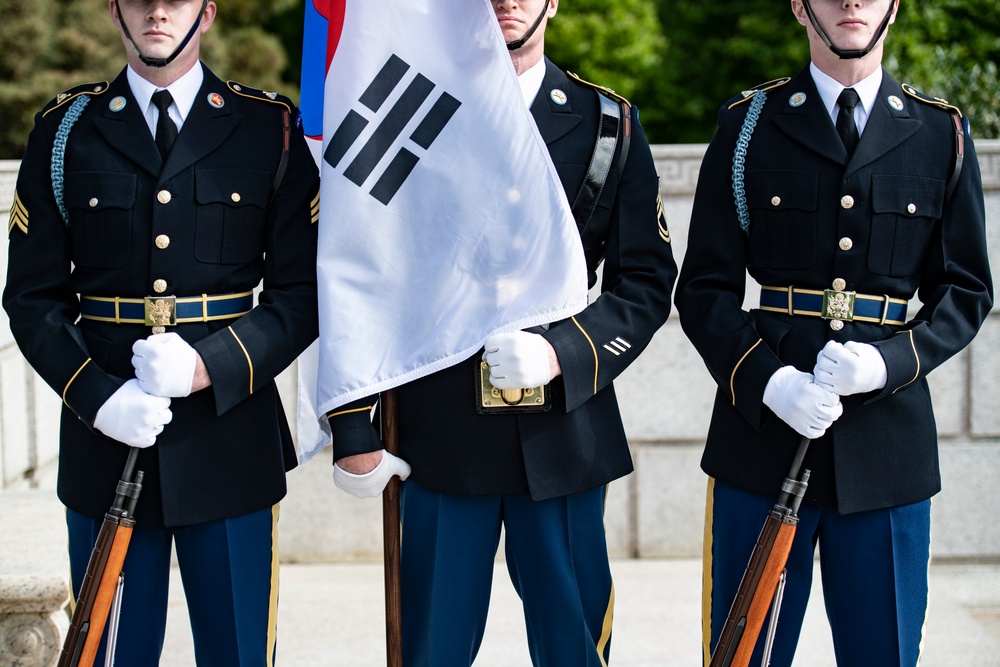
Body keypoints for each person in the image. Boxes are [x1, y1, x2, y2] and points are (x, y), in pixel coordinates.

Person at [323, 1, 677, 665]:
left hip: (563, 436)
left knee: (575, 647)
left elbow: (645, 285)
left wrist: (561, 350)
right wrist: (352, 422)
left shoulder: (607, 124)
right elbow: (362, 267)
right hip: (440, 436)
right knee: (432, 649)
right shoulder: (411, 104)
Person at [675, 0, 993, 664]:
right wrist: (770, 383)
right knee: (745, 654)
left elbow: (965, 292)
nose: (852, 2)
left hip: (886, 450)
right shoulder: (748, 127)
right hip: (761, 441)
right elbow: (704, 290)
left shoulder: (941, 135)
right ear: (799, 6)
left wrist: (886, 364)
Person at [3, 0, 319, 663]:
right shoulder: (66, 132)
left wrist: (209, 367)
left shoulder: (270, 128)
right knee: (113, 652)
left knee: (237, 650)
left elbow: (302, 294)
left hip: (230, 441)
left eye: (175, 0)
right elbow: (32, 298)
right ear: (115, 11)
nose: (157, 12)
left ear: (205, 13)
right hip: (107, 440)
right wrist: (98, 397)